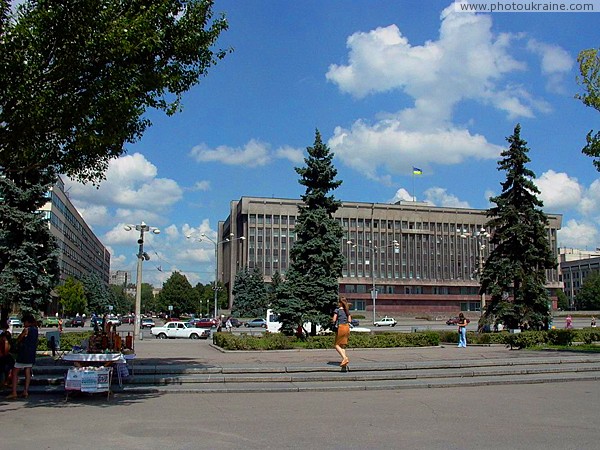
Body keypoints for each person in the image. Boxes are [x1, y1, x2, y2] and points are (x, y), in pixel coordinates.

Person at [7, 313, 38, 399]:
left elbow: (19, 339)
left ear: (28, 322)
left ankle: (14, 392)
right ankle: (25, 391)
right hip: (31, 354)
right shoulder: (36, 329)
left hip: (23, 353)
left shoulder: (26, 329)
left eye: (24, 322)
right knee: (27, 372)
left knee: (15, 371)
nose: (24, 324)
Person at [332, 297, 352, 367]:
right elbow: (349, 320)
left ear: (340, 303)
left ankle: (345, 358)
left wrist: (332, 321)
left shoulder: (337, 310)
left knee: (336, 345)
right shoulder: (347, 311)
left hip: (341, 327)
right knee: (342, 345)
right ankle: (344, 361)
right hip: (347, 327)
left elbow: (334, 320)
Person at [0, 320, 15, 387]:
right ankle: (7, 381)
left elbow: (5, 351)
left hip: (3, 358)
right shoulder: (6, 340)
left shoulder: (5, 340)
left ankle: (6, 381)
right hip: (4, 357)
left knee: (6, 369)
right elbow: (6, 351)